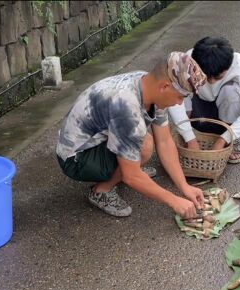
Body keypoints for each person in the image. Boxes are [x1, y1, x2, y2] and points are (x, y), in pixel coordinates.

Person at [56, 52, 207, 218]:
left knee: (142, 142)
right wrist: (174, 201)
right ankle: (101, 191)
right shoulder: (127, 108)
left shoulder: (149, 83)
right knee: (144, 147)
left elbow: (164, 141)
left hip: (95, 138)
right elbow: (131, 176)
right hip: (75, 158)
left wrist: (185, 187)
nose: (180, 103)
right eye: (180, 97)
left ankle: (125, 166)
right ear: (164, 87)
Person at [167, 36, 240, 164]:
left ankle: (229, 139)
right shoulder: (187, 60)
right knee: (179, 91)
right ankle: (187, 134)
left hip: (225, 114)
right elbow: (174, 100)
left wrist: (223, 140)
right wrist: (190, 138)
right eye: (205, 76)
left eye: (217, 77)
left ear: (229, 65)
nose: (211, 81)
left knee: (232, 92)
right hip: (198, 108)